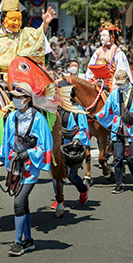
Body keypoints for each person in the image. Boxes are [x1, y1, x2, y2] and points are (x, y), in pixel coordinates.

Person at [0, 82, 53, 256]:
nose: (14, 100)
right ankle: (29, 240)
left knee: (18, 203)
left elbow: (45, 146)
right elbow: (6, 143)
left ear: (28, 99)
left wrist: (29, 153)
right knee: (23, 204)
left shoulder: (39, 119)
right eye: (13, 97)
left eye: (18, 97)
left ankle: (17, 242)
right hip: (15, 167)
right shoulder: (11, 117)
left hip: (30, 167)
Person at [0, 0, 55, 83]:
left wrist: (45, 24)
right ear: (3, 20)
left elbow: (39, 36)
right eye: (13, 19)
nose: (17, 23)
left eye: (19, 19)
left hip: (21, 78)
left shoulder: (25, 34)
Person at [95, 70, 133, 193]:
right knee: (117, 158)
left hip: (131, 128)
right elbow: (106, 109)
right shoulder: (114, 94)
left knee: (130, 158)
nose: (120, 85)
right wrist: (95, 116)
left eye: (122, 82)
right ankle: (119, 183)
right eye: (118, 83)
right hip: (117, 128)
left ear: (128, 80)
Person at [50, 80, 90, 209]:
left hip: (72, 146)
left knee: (72, 176)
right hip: (57, 145)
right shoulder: (53, 109)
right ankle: (59, 199)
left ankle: (83, 189)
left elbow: (83, 129)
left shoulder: (77, 109)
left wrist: (77, 139)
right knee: (56, 174)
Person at [85, 20, 133, 90]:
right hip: (97, 81)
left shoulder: (118, 53)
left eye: (104, 36)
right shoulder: (98, 51)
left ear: (112, 37)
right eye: (101, 35)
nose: (102, 38)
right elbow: (90, 69)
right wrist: (86, 81)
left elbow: (121, 70)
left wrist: (115, 84)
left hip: (111, 83)